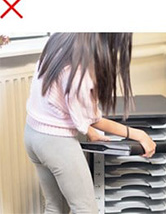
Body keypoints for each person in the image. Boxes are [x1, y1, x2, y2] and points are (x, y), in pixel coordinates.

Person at [24, 33, 157, 214]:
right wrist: (138, 134)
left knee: (55, 207)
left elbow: (61, 102)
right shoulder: (80, 69)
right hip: (56, 143)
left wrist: (88, 130)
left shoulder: (60, 39)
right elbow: (94, 118)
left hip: (32, 135)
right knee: (86, 209)